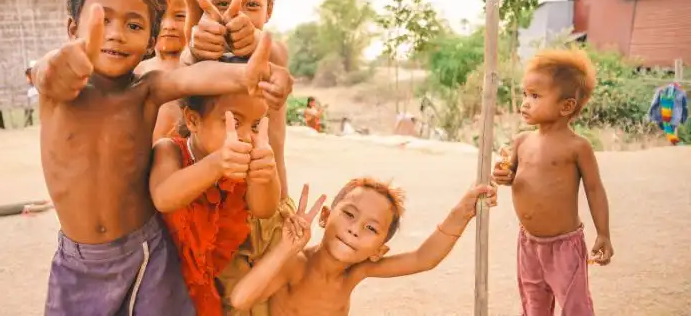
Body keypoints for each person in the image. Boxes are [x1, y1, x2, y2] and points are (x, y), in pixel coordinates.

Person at [30, 0, 291, 314]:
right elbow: (46, 71)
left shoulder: (147, 90)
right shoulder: (58, 91)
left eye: (134, 25)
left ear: (151, 42)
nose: (116, 34)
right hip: (79, 262)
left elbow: (194, 76)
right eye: (102, 21)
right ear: (73, 29)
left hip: (147, 250)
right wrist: (54, 66)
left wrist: (250, 74)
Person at [179, 0, 297, 314]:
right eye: (223, 3)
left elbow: (274, 56)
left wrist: (257, 40)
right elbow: (188, 68)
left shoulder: (273, 53)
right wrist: (196, 35)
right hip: (218, 216)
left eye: (251, 5)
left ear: (269, 9)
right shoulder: (204, 58)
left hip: (270, 213)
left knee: (277, 303)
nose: (237, 16)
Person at [228, 178, 498, 315]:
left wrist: (462, 212)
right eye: (349, 214)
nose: (354, 229)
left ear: (379, 251)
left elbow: (423, 258)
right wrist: (285, 249)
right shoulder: (296, 265)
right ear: (325, 216)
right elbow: (240, 300)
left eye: (371, 228)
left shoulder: (356, 272)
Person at [492, 49, 613, 316]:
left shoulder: (577, 147)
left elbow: (594, 190)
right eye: (525, 94)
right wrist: (503, 176)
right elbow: (512, 176)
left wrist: (603, 233)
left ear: (566, 106)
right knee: (534, 305)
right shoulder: (522, 141)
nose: (525, 103)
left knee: (575, 306)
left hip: (564, 246)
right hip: (528, 243)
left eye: (535, 96)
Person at [150, 88, 281, 316]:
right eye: (234, 122)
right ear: (193, 120)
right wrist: (218, 163)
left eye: (255, 125)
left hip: (207, 291)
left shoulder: (245, 165)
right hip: (159, 288)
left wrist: (266, 173)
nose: (246, 136)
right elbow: (163, 197)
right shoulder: (170, 150)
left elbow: (264, 209)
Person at [134, 0, 187, 142]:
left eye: (180, 16)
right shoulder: (139, 69)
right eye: (160, 17)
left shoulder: (195, 67)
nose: (169, 25)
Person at [24, 60, 38, 126]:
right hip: (34, 90)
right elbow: (29, 81)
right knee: (30, 105)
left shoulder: (38, 72)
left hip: (35, 90)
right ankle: (28, 120)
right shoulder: (29, 73)